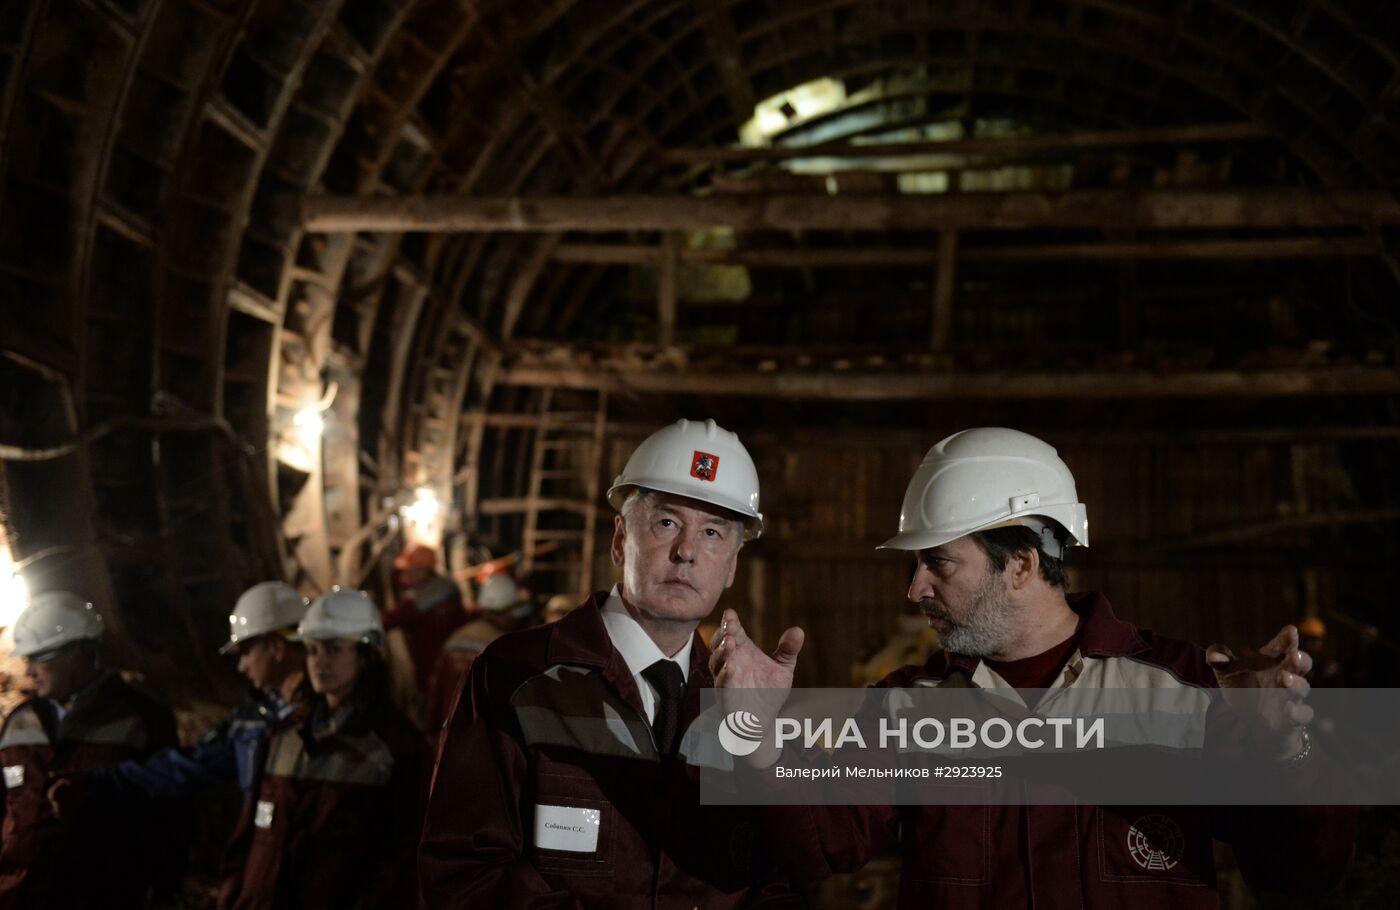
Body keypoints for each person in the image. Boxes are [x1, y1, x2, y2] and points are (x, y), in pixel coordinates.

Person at [711, 427, 1358, 908]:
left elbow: (1304, 874)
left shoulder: (1185, 688)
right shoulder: (909, 707)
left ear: (1020, 564)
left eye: (939, 562)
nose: (914, 590)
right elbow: (817, 849)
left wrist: (1286, 755)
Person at [421, 418, 802, 908]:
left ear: (731, 565)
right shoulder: (518, 676)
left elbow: (775, 882)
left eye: (712, 532)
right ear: (621, 539)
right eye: (666, 523)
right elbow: (464, 875)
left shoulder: (744, 704)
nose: (687, 551)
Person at [218, 588, 428, 910]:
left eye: (333, 650)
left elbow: (402, 860)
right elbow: (247, 837)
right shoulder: (283, 737)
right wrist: (233, 896)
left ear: (365, 656)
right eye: (313, 650)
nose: (319, 662)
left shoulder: (398, 746)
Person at [0, 591, 182, 909]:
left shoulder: (142, 718)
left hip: (102, 895)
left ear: (77, 654)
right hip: (20, 896)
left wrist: (165, 888)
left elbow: (169, 817)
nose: (28, 672)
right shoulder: (19, 721)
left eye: (39, 659)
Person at [54, 581, 307, 808]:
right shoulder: (251, 721)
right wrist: (95, 783)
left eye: (246, 652)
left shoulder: (327, 718)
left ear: (276, 648)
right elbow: (186, 768)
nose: (242, 666)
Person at [421, 570, 536, 744]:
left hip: (450, 739)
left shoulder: (456, 638)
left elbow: (435, 690)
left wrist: (430, 732)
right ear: (508, 610)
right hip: (484, 744)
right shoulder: (502, 646)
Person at [384, 544, 468, 692]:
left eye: (409, 569)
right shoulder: (447, 586)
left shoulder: (422, 600)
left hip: (433, 669)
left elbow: (390, 619)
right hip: (452, 666)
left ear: (423, 571)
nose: (405, 574)